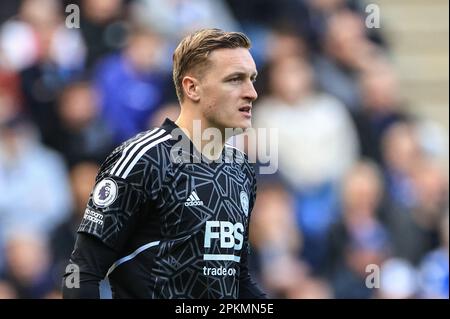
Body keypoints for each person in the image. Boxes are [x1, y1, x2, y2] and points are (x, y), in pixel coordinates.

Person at [62, 28, 266, 299]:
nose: (251, 93)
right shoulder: (143, 158)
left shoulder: (240, 168)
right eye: (235, 80)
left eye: (251, 79)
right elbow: (82, 272)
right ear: (192, 87)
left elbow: (236, 280)